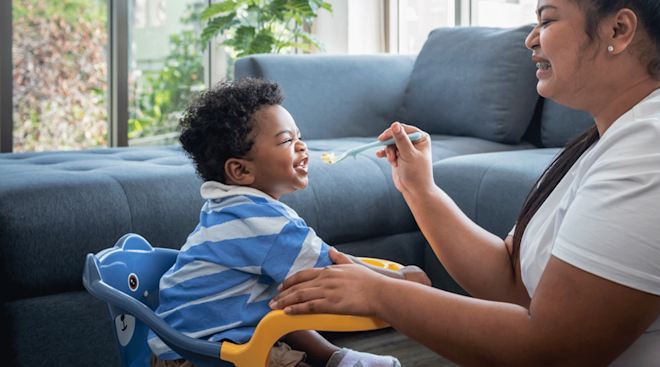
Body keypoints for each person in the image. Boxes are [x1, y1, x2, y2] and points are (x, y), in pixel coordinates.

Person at [270, 0, 660, 365]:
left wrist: (381, 295)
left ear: (618, 29)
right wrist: (420, 190)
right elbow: (511, 280)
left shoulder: (648, 149)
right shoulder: (604, 143)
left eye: (547, 19)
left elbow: (552, 348)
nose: (531, 37)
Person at [147, 78, 430, 367]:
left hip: (187, 346)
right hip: (202, 356)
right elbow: (333, 271)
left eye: (299, 136)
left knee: (287, 295)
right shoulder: (258, 220)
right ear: (241, 170)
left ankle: (336, 358)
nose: (302, 146)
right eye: (286, 141)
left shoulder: (228, 207)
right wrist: (403, 282)